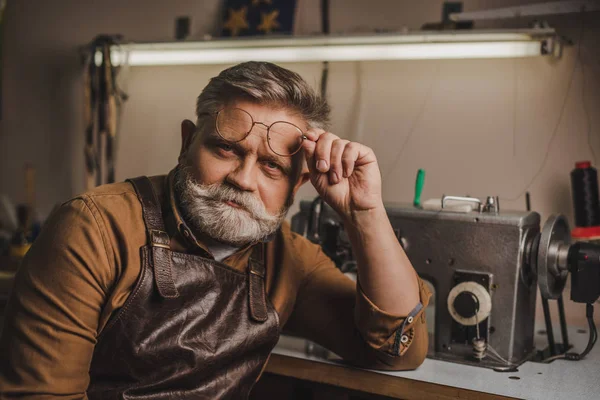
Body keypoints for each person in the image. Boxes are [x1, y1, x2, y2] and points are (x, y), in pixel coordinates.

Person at [0, 61, 431, 399]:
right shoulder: (93, 228)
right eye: (226, 148)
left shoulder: (289, 260)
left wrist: (365, 214)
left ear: (298, 183)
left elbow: (396, 352)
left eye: (272, 166)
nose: (244, 179)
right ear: (188, 141)